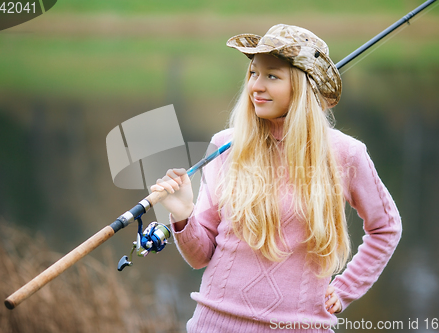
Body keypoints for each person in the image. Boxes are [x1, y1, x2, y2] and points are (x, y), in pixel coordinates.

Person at [151, 24, 402, 333]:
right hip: (213, 325)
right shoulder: (224, 146)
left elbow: (385, 228)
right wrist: (182, 215)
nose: (256, 85)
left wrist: (345, 288)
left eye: (272, 76)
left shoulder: (345, 154)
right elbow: (200, 256)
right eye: (254, 73)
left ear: (303, 86)